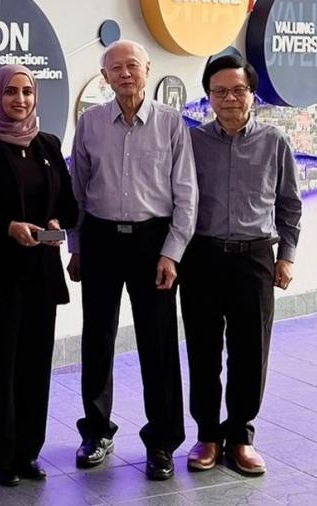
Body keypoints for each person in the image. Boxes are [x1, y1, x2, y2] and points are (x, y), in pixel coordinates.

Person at [66, 40, 198, 480]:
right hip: (101, 239)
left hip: (152, 243)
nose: (125, 74)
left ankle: (161, 441)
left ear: (148, 69)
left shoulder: (171, 123)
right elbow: (77, 191)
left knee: (158, 344)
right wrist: (76, 246)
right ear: (105, 77)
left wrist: (172, 253)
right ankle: (96, 431)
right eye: (116, 68)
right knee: (97, 339)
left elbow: (186, 194)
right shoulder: (90, 123)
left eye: (132, 66)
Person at [0, 64, 79, 486]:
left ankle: (26, 451)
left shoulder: (47, 144)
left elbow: (69, 205)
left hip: (39, 277)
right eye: (11, 92)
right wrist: (7, 227)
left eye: (27, 91)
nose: (20, 99)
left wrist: (55, 220)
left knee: (34, 364)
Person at [181, 55, 301, 475]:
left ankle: (241, 437)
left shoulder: (274, 141)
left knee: (251, 353)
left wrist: (286, 257)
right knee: (203, 351)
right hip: (202, 257)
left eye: (238, 90)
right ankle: (207, 436)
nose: (229, 98)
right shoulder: (193, 142)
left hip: (255, 258)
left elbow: (289, 205)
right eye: (220, 91)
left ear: (252, 94)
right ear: (208, 96)